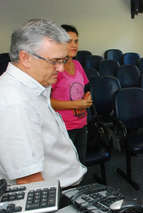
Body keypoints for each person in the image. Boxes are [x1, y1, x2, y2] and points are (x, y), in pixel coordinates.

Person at [0, 18, 87, 188]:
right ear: (25, 58)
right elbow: (29, 182)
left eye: (62, 61)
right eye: (54, 61)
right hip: (53, 197)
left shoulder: (34, 87)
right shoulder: (16, 104)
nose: (60, 69)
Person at [50, 24, 92, 164]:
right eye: (69, 41)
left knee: (80, 166)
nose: (74, 45)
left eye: (76, 41)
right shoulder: (55, 68)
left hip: (81, 123)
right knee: (66, 169)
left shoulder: (78, 65)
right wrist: (75, 104)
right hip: (64, 128)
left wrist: (86, 97)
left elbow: (82, 90)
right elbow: (45, 102)